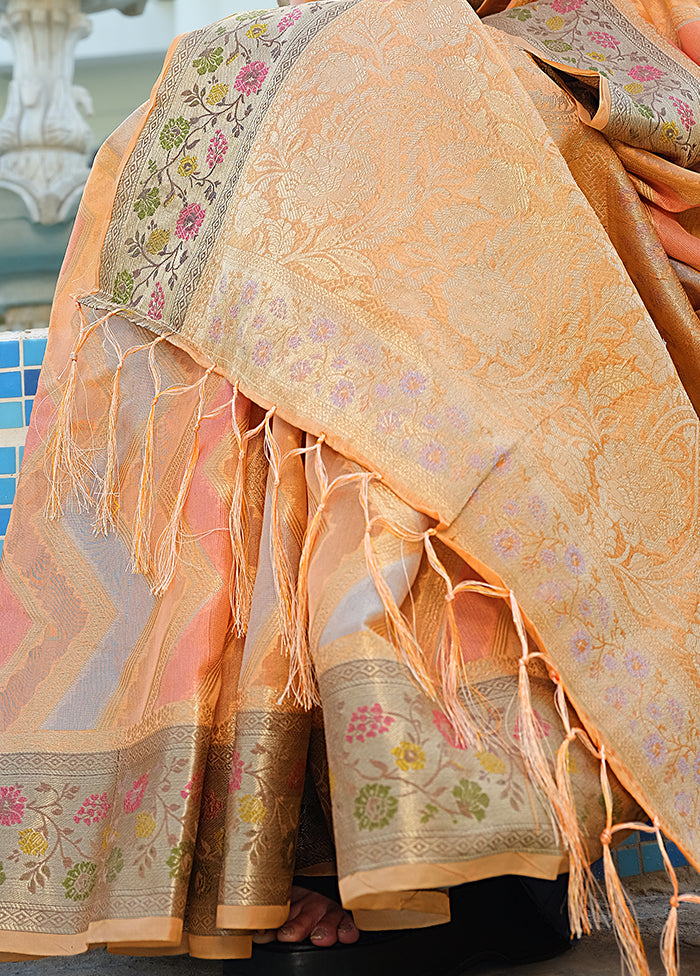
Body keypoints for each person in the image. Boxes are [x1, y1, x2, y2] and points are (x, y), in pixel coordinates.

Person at [1, 0, 700, 972]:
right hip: (464, 54)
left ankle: (425, 835)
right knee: (237, 107)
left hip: (597, 65)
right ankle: (291, 830)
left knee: (407, 113)